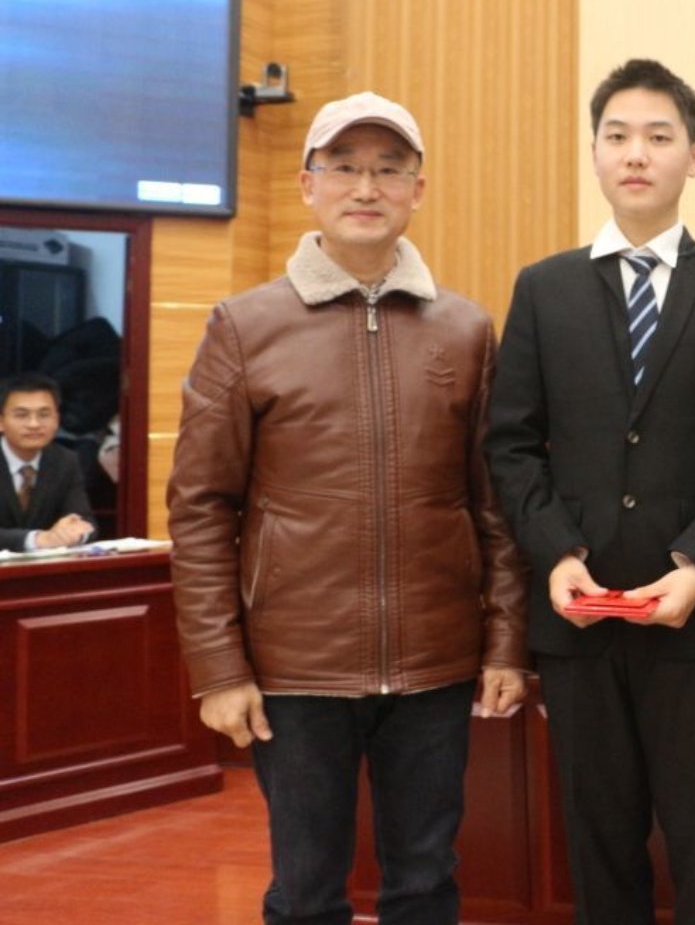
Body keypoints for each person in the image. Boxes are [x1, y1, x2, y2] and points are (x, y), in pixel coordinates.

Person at [167, 91, 529, 924]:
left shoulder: (466, 330)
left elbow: (496, 506)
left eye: (389, 170)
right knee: (305, 891)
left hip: (436, 662)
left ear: (417, 190)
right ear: (308, 185)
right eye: (344, 168)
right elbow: (200, 508)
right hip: (296, 666)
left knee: (425, 883)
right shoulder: (244, 326)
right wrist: (219, 670)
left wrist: (506, 642)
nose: (366, 188)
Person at [486, 58, 695, 925]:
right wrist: (557, 554)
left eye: (658, 136)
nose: (636, 154)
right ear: (595, 154)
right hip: (577, 618)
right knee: (599, 841)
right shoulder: (543, 289)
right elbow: (511, 445)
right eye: (617, 136)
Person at [0, 371, 94, 550]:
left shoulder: (65, 461)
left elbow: (84, 519)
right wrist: (37, 540)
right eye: (22, 415)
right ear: (1, 422)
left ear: (57, 420)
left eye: (44, 415)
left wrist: (75, 533)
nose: (34, 424)